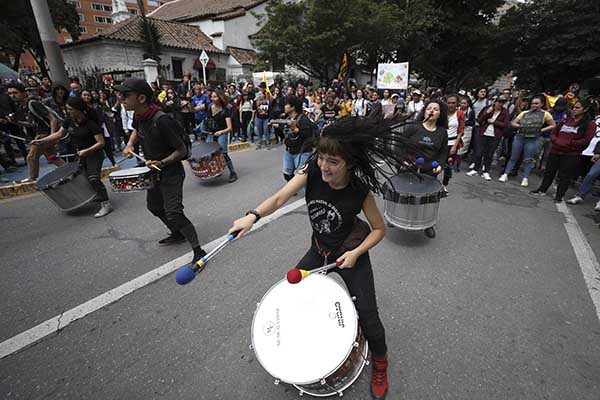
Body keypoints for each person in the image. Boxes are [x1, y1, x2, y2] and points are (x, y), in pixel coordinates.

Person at [228, 114, 415, 400]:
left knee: (369, 316)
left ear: (348, 163)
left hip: (350, 252)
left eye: (333, 162)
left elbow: (379, 230)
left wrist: (355, 253)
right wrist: (251, 216)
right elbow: (279, 198)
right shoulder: (311, 171)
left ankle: (380, 363)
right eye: (322, 158)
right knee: (291, 293)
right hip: (319, 250)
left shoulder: (359, 192)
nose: (324, 167)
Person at [117, 77, 208, 263]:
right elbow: (135, 129)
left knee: (173, 211)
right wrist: (129, 144)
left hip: (171, 172)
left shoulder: (162, 120)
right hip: (154, 170)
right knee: (155, 207)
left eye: (126, 95)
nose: (121, 99)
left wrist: (161, 162)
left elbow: (182, 150)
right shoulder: (139, 115)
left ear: (141, 98)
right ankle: (177, 233)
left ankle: (198, 250)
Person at [33, 96, 113, 217]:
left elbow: (101, 143)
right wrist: (42, 141)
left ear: (78, 109)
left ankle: (106, 204)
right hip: (80, 154)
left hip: (94, 154)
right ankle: (94, 196)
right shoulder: (68, 121)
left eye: (70, 109)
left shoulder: (91, 124)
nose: (68, 111)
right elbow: (59, 134)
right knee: (82, 178)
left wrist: (87, 150)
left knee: (93, 178)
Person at [531, 98, 596, 202]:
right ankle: (542, 189)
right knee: (549, 172)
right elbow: (553, 133)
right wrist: (556, 141)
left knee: (564, 176)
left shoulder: (590, 125)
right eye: (573, 107)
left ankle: (559, 196)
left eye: (577, 107)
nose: (574, 109)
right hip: (556, 150)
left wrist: (569, 144)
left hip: (571, 154)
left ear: (585, 109)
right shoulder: (566, 120)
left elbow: (585, 140)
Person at [400, 99, 448, 236]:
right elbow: (399, 145)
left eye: (436, 109)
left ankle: (427, 223)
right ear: (425, 111)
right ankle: (398, 216)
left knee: (427, 199)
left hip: (429, 170)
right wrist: (402, 160)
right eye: (429, 108)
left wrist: (440, 165)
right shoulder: (413, 127)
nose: (432, 111)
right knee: (405, 194)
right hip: (409, 166)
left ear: (440, 114)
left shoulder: (442, 132)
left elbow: (443, 152)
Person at [499, 94, 556, 186]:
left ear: (542, 104)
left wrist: (541, 130)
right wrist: (521, 126)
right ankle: (505, 174)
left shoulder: (545, 114)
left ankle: (525, 177)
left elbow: (553, 125)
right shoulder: (524, 113)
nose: (534, 105)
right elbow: (513, 123)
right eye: (533, 103)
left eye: (536, 103)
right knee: (513, 157)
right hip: (520, 137)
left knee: (528, 159)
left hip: (533, 139)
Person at [466, 95, 510, 181]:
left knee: (489, 154)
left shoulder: (505, 112)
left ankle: (486, 171)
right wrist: (486, 113)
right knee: (478, 152)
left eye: (502, 102)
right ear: (495, 102)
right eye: (498, 102)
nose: (500, 104)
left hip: (495, 135)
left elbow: (505, 124)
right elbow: (479, 120)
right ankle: (475, 169)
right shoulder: (488, 108)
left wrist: (495, 122)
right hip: (483, 133)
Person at [205, 89, 238, 182]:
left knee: (223, 153)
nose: (213, 98)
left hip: (222, 133)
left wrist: (220, 132)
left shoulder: (225, 110)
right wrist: (188, 100)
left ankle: (233, 173)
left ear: (219, 98)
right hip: (211, 133)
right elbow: (194, 109)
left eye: (215, 96)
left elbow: (229, 128)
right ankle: (218, 170)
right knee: (210, 152)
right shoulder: (209, 107)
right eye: (212, 96)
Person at [282, 95, 315, 182]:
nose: (284, 106)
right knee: (287, 174)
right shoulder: (288, 118)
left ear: (293, 107)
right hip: (289, 150)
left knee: (303, 178)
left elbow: (308, 135)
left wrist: (297, 130)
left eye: (287, 104)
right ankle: (293, 190)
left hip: (302, 152)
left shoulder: (303, 119)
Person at [441, 94, 465, 189]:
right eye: (449, 103)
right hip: (441, 142)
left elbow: (461, 131)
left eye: (453, 103)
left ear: (457, 103)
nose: (451, 105)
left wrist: (455, 146)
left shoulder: (460, 114)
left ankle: (444, 185)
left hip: (452, 143)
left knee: (448, 165)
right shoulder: (442, 113)